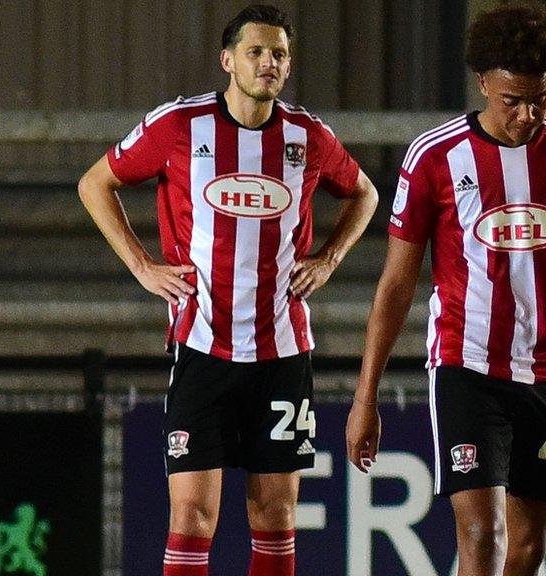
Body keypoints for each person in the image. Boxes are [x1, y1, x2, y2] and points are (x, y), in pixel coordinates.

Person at [346, 6, 546, 576]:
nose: (527, 114)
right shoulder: (435, 156)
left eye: (541, 97)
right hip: (468, 365)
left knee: (529, 546)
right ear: (483, 82)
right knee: (483, 534)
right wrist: (366, 395)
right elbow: (396, 284)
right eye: (512, 100)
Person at [79, 5, 378, 575]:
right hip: (202, 347)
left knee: (275, 514)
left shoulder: (306, 136)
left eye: (280, 55)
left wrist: (330, 258)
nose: (268, 63)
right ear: (228, 60)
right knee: (192, 517)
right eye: (256, 52)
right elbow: (95, 183)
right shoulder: (178, 125)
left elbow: (363, 192)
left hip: (282, 351)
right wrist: (142, 265)